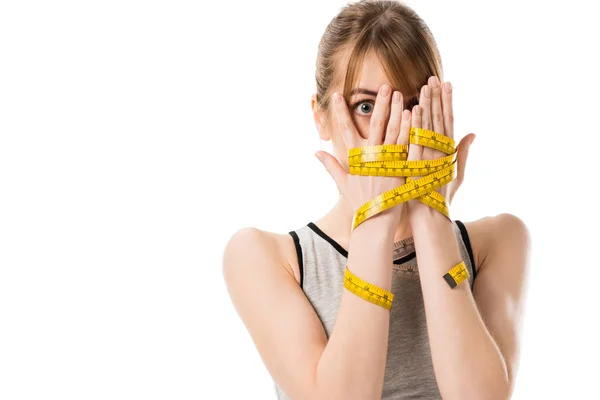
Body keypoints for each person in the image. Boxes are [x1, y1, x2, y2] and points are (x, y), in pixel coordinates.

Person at [222, 1, 530, 399]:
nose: (394, 131)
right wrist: (376, 218)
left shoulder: (499, 241)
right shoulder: (264, 256)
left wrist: (431, 217)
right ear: (320, 116)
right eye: (367, 107)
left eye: (413, 105)